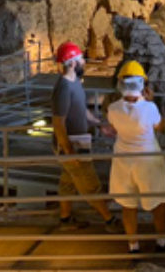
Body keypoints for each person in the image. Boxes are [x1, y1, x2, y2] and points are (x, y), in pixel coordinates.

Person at [106, 61, 165, 253]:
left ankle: (133, 246)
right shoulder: (149, 108)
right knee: (158, 202)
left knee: (128, 206)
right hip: (148, 161)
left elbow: (114, 126)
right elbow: (161, 126)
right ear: (143, 85)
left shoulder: (113, 109)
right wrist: (151, 101)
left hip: (123, 161)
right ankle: (161, 242)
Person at [50, 41, 120, 232]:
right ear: (72, 63)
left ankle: (65, 220)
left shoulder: (75, 84)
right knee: (90, 184)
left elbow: (81, 111)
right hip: (73, 146)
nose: (84, 62)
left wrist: (100, 124)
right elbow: (59, 123)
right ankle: (110, 220)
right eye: (81, 59)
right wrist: (68, 151)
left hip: (78, 142)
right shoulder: (64, 88)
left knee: (68, 182)